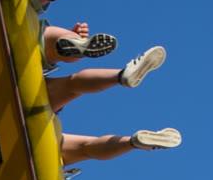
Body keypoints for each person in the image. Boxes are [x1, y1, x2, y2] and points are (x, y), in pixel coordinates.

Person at [46, 43, 177, 162]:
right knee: (86, 147)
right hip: (49, 146)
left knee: (64, 87)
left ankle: (72, 44)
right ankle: (132, 142)